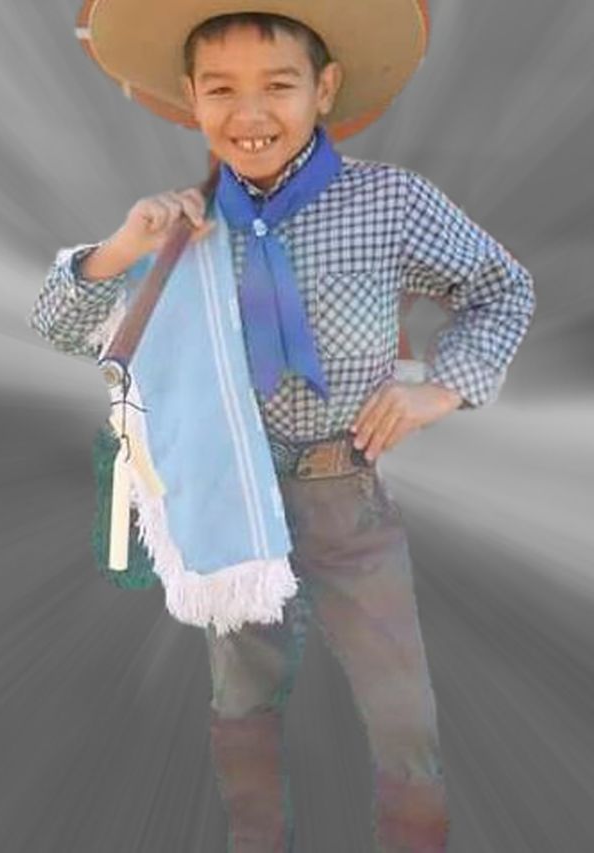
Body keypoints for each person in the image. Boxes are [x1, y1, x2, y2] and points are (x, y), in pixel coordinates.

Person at [29, 4, 536, 851]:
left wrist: (443, 389)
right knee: (242, 696)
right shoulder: (182, 227)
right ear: (191, 96)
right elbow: (56, 320)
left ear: (324, 88)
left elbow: (502, 288)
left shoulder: (390, 202)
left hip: (348, 492)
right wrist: (122, 246)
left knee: (401, 705)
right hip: (231, 494)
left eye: (278, 86)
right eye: (221, 89)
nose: (251, 113)